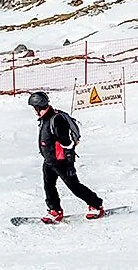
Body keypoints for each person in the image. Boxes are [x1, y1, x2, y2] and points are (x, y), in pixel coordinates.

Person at [28, 91, 105, 222]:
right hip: (49, 160)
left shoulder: (56, 119)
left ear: (38, 106)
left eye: (34, 107)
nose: (34, 111)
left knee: (74, 186)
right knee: (49, 186)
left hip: (61, 161)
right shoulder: (45, 118)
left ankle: (96, 204)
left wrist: (68, 161)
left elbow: (66, 142)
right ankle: (55, 210)